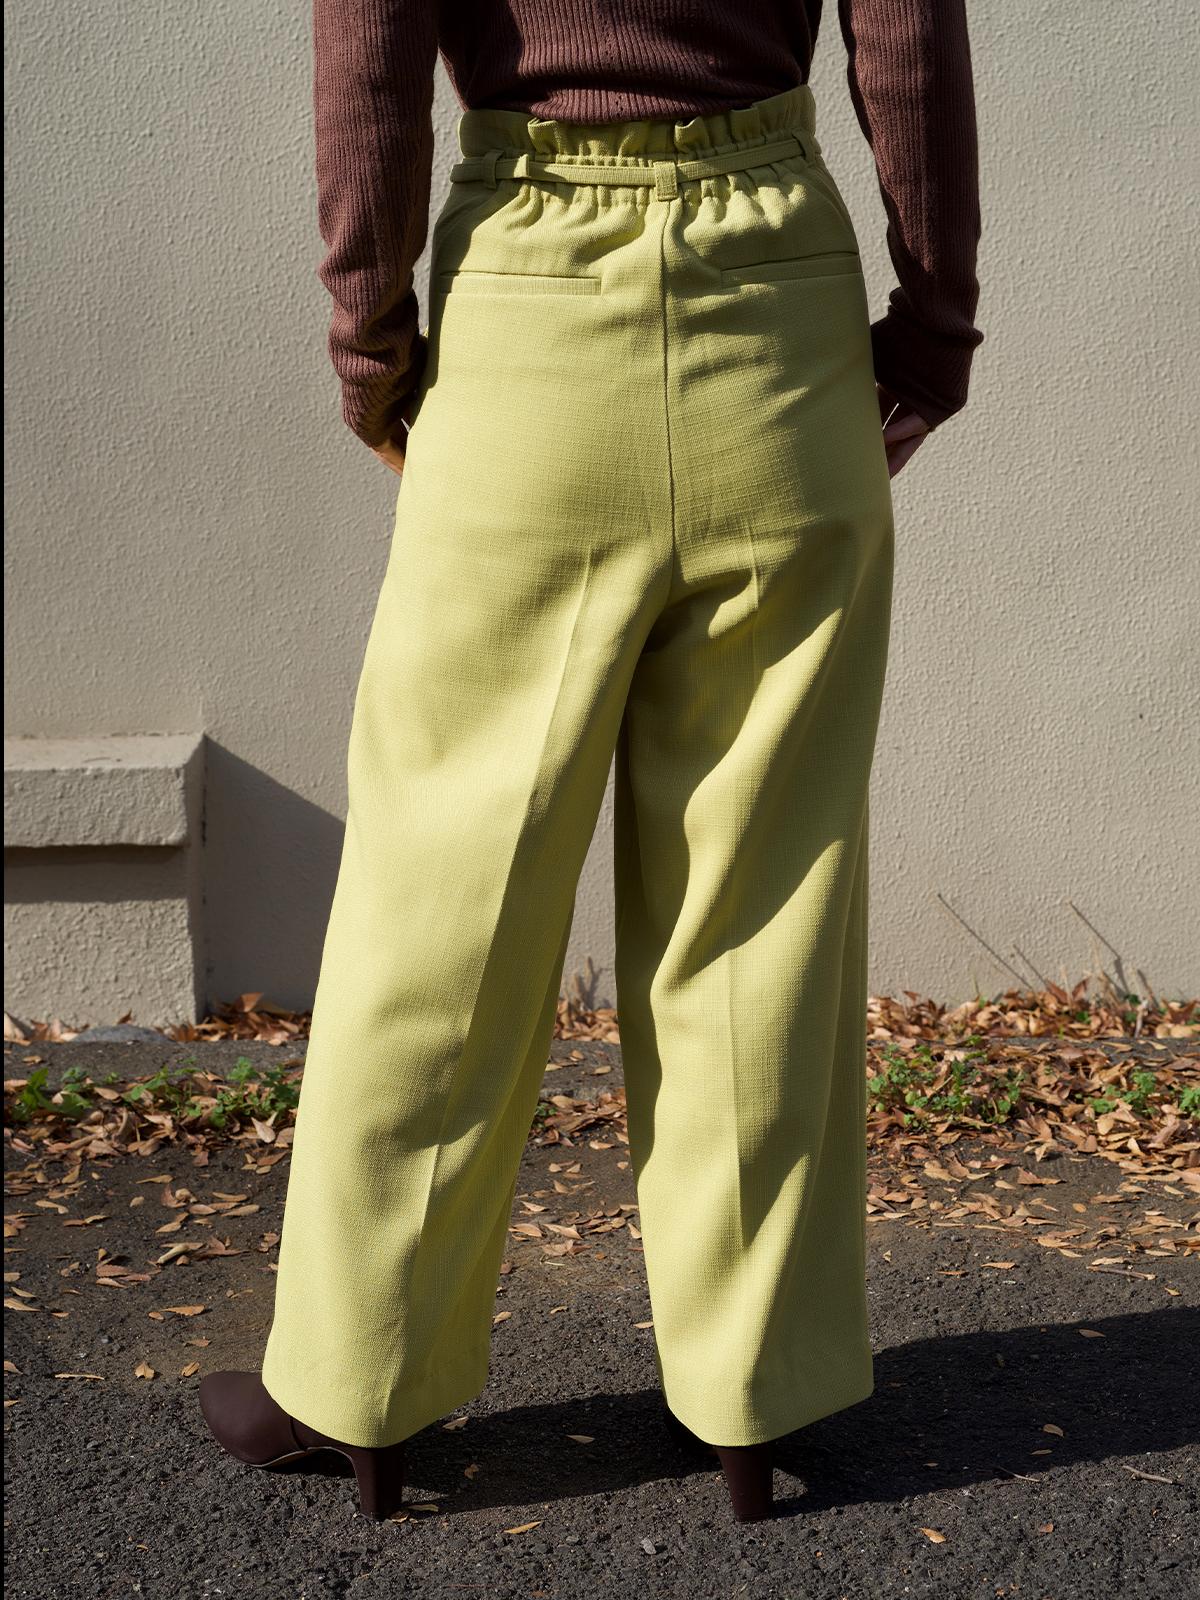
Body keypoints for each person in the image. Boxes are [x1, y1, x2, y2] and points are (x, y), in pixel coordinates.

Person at [200, 0, 982, 1525]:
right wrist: (933, 322)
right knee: (762, 892)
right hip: (777, 306)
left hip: (530, 303)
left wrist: (372, 341)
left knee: (441, 893)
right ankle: (755, 1392)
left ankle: (362, 1386)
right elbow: (904, 31)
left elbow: (370, 53)